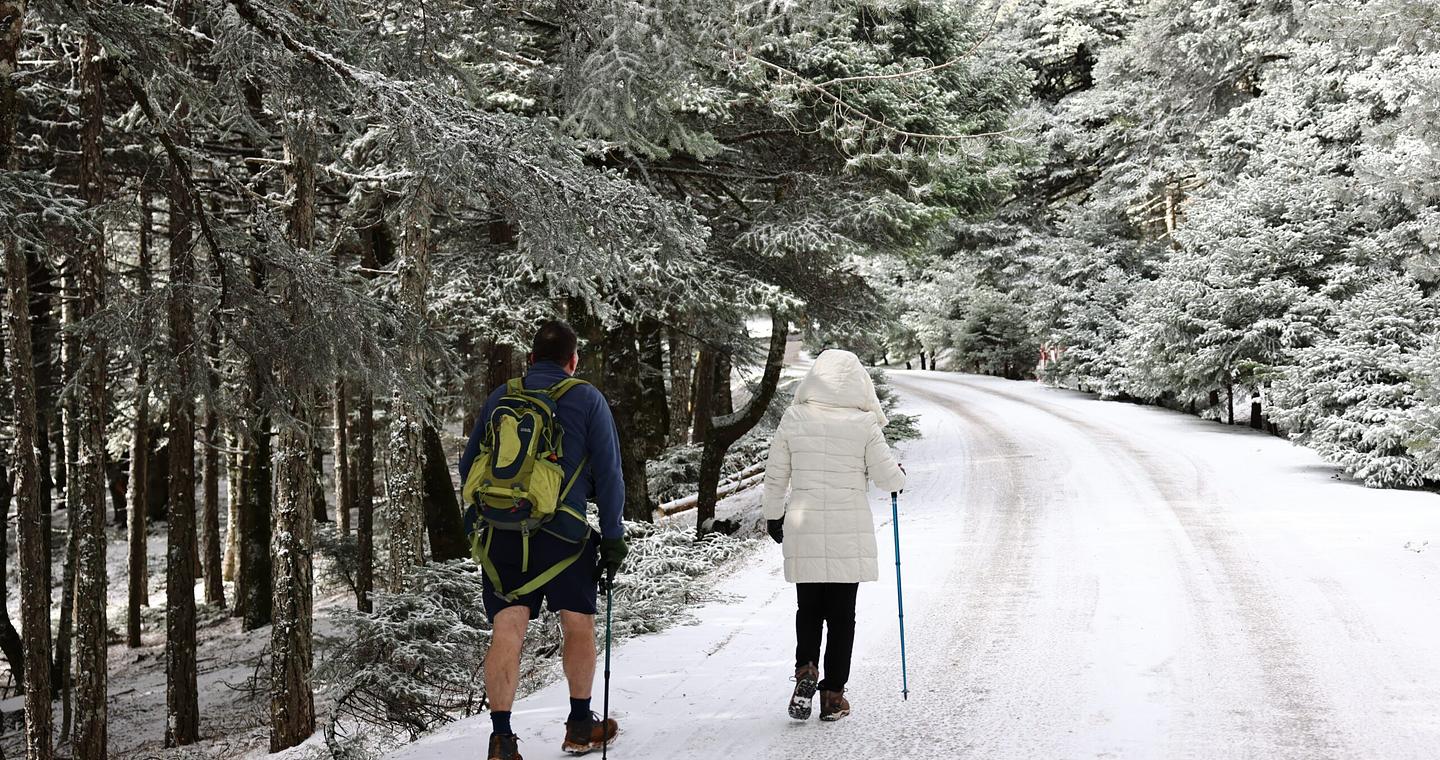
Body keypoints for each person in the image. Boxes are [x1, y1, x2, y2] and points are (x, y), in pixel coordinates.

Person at [459, 320, 629, 760]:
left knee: (507, 628)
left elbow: (468, 464)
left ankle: (501, 739)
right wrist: (612, 538)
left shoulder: (502, 397)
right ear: (573, 362)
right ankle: (578, 726)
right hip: (565, 536)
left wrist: (481, 517)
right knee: (577, 623)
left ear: (529, 359)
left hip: (503, 536)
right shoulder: (588, 398)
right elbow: (610, 475)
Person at [761, 349, 906, 722]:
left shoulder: (795, 417)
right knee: (842, 617)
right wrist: (899, 476)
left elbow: (776, 475)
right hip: (848, 532)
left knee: (808, 609)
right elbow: (888, 477)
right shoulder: (864, 424)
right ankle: (832, 695)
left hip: (802, 525)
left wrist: (773, 517)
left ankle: (806, 668)